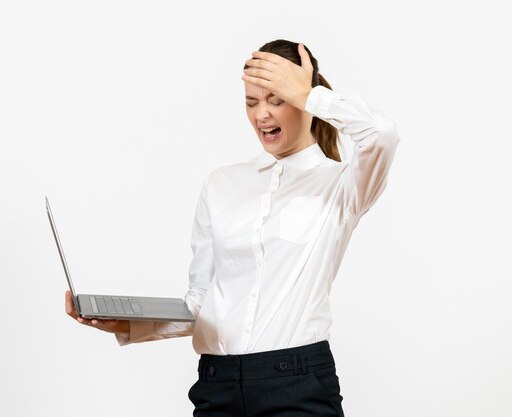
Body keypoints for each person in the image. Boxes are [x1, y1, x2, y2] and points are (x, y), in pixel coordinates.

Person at [65, 39, 401, 416]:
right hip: (217, 385)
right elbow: (199, 302)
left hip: (299, 383)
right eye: (251, 102)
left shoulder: (341, 186)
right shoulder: (221, 184)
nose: (262, 115)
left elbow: (382, 134)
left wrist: (310, 95)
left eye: (277, 99)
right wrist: (127, 325)